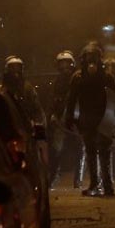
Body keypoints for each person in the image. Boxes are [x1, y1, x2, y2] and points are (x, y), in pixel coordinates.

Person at [64, 43, 115, 197]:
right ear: (84, 59)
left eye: (93, 56)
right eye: (88, 56)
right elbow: (71, 99)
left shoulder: (107, 77)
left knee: (105, 152)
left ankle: (108, 185)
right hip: (87, 120)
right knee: (91, 152)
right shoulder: (78, 77)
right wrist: (69, 117)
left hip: (104, 119)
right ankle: (95, 184)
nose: (91, 60)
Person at [48, 50, 85, 189]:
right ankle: (54, 177)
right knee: (56, 149)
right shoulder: (58, 82)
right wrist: (52, 114)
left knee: (81, 147)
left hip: (77, 118)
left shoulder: (79, 78)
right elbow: (53, 100)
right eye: (61, 65)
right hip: (61, 118)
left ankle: (78, 180)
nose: (64, 69)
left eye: (67, 65)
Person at [0, 55, 46, 129]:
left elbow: (36, 108)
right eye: (12, 68)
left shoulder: (27, 88)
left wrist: (37, 125)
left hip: (26, 126)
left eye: (18, 67)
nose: (15, 71)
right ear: (7, 69)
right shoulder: (2, 90)